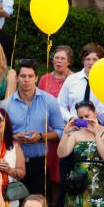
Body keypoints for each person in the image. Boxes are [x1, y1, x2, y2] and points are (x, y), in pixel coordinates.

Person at [1, 59, 65, 196]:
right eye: (23, 76)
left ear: (36, 78)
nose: (26, 80)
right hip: (13, 163)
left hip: (38, 163)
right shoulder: (6, 105)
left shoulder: (50, 101)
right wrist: (13, 137)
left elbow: (61, 131)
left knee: (38, 204)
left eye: (30, 76)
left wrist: (41, 136)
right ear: (17, 78)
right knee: (14, 206)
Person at [38, 45, 73, 191]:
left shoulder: (74, 79)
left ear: (69, 62)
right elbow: (38, 103)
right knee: (47, 168)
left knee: (61, 169)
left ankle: (58, 203)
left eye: (63, 58)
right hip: (47, 130)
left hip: (66, 129)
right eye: (56, 58)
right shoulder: (45, 78)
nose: (58, 61)